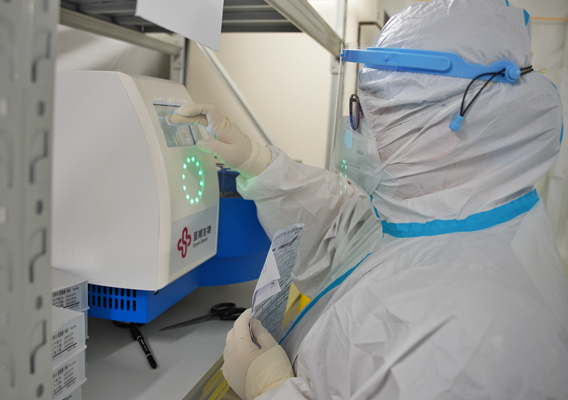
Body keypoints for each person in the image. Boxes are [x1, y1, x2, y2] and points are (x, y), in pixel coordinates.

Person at [167, 0, 568, 398]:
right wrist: (259, 163)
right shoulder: (444, 214)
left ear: (446, 133)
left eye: (373, 117)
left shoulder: (470, 336)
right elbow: (343, 231)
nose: (355, 129)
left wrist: (270, 389)